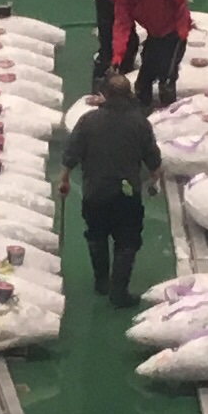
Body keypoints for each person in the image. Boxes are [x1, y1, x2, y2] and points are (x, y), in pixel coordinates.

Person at [58, 85, 164, 306]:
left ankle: (102, 282)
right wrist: (154, 177)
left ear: (105, 96)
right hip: (126, 194)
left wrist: (64, 179)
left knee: (96, 236)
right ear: (128, 94)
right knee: (127, 240)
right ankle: (119, 292)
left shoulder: (88, 121)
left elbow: (71, 152)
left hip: (95, 192)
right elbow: (153, 158)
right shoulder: (139, 122)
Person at [123, 0, 195, 111]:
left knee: (166, 79)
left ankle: (170, 114)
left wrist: (182, 27)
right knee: (143, 79)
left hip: (174, 32)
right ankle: (142, 112)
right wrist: (117, 56)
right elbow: (122, 23)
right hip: (155, 34)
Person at [89, 0, 134, 91]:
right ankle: (102, 82)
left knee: (130, 43)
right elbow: (120, 25)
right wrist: (116, 57)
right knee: (108, 43)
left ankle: (122, 76)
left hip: (116, 1)